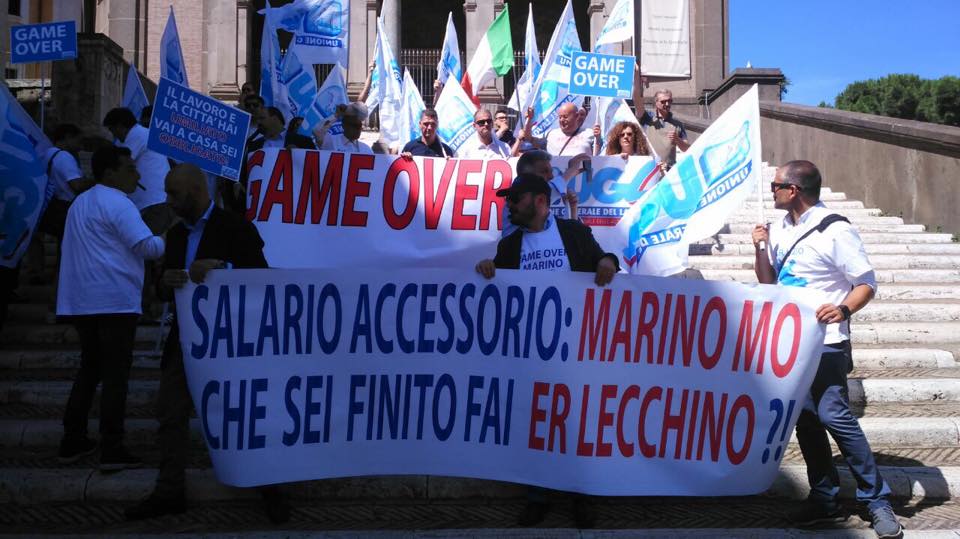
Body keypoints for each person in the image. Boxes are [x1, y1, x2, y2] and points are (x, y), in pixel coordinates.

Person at [124, 163, 289, 523]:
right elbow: (161, 291)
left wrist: (224, 269)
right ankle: (169, 490)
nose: (167, 201)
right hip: (185, 342)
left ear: (196, 193)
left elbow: (262, 279)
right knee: (170, 414)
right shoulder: (177, 235)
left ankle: (270, 487)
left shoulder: (237, 228)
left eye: (173, 194)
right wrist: (163, 283)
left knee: (248, 417)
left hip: (233, 345)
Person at [751, 160, 903, 539]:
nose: (772, 191)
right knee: (804, 419)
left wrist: (844, 308)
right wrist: (760, 248)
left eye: (776, 186)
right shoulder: (782, 229)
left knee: (835, 415)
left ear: (794, 190)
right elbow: (769, 281)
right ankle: (824, 498)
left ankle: (876, 500)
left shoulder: (836, 229)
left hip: (828, 342)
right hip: (792, 343)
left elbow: (866, 282)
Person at [475, 173, 617, 529]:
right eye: (508, 199)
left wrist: (608, 262)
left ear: (539, 201)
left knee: (578, 426)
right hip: (531, 358)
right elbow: (498, 292)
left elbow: (606, 260)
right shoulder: (509, 248)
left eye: (515, 198)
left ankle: (582, 496)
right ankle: (538, 498)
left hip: (578, 355)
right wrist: (486, 269)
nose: (509, 204)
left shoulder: (573, 233)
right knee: (535, 426)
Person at [56, 146, 165, 471]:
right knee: (115, 374)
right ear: (110, 173)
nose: (138, 174)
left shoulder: (81, 202)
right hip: (113, 301)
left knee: (90, 370)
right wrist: (171, 236)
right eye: (130, 168)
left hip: (82, 301)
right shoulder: (119, 202)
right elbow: (147, 247)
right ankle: (112, 446)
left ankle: (72, 439)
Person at [102, 107, 175, 236]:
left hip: (154, 203)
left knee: (148, 247)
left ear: (119, 126)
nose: (113, 135)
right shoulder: (129, 139)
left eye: (112, 130)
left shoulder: (139, 135)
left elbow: (117, 163)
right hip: (147, 203)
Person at [38, 124, 94, 238]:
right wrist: (96, 179)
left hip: (52, 206)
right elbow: (76, 185)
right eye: (79, 140)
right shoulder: (64, 156)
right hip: (65, 207)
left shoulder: (48, 153)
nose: (81, 145)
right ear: (68, 137)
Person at [516, 102, 594, 157]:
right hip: (557, 178)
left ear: (576, 116)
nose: (562, 120)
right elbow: (529, 139)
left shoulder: (589, 134)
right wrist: (529, 119)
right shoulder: (551, 134)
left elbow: (600, 156)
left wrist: (597, 139)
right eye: (560, 117)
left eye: (565, 117)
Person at [639, 89, 689, 170]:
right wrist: (638, 81)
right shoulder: (647, 119)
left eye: (670, 101)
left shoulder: (678, 124)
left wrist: (677, 139)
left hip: (668, 171)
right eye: (663, 101)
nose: (667, 104)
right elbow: (637, 101)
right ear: (656, 102)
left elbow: (686, 148)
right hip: (650, 170)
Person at [246, 106, 317, 153]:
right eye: (257, 119)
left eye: (262, 118)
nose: (258, 122)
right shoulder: (253, 146)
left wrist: (299, 154)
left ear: (275, 118)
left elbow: (315, 166)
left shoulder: (303, 141)